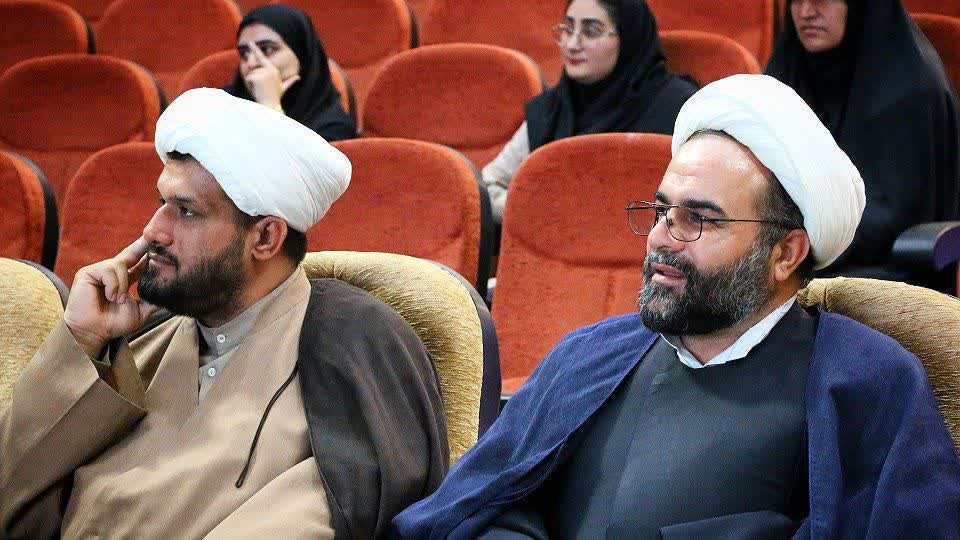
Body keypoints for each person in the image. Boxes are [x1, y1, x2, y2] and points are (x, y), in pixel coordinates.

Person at [392, 75, 960, 538]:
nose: (662, 237)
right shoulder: (589, 354)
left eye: (699, 219)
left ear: (786, 253)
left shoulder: (867, 381)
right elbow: (483, 502)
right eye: (662, 211)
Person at [0, 88, 448, 538]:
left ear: (265, 238)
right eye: (161, 203)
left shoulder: (355, 346)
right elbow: (12, 494)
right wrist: (82, 340)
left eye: (185, 211)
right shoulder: (142, 335)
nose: (152, 231)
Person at [766, 0, 960, 282]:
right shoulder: (787, 72)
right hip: (799, 255)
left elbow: (891, 216)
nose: (807, 12)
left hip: (886, 270)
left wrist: (797, 247)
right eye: (797, 0)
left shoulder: (911, 90)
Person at [482, 0, 697, 223]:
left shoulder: (679, 107)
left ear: (628, 38)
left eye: (591, 32)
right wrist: (544, 214)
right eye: (567, 29)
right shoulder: (550, 110)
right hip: (558, 242)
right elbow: (488, 187)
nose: (572, 44)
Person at [224, 4, 356, 141]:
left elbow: (276, 155)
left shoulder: (334, 127)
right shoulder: (222, 104)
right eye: (245, 53)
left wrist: (270, 106)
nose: (251, 63)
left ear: (301, 54)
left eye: (267, 49)